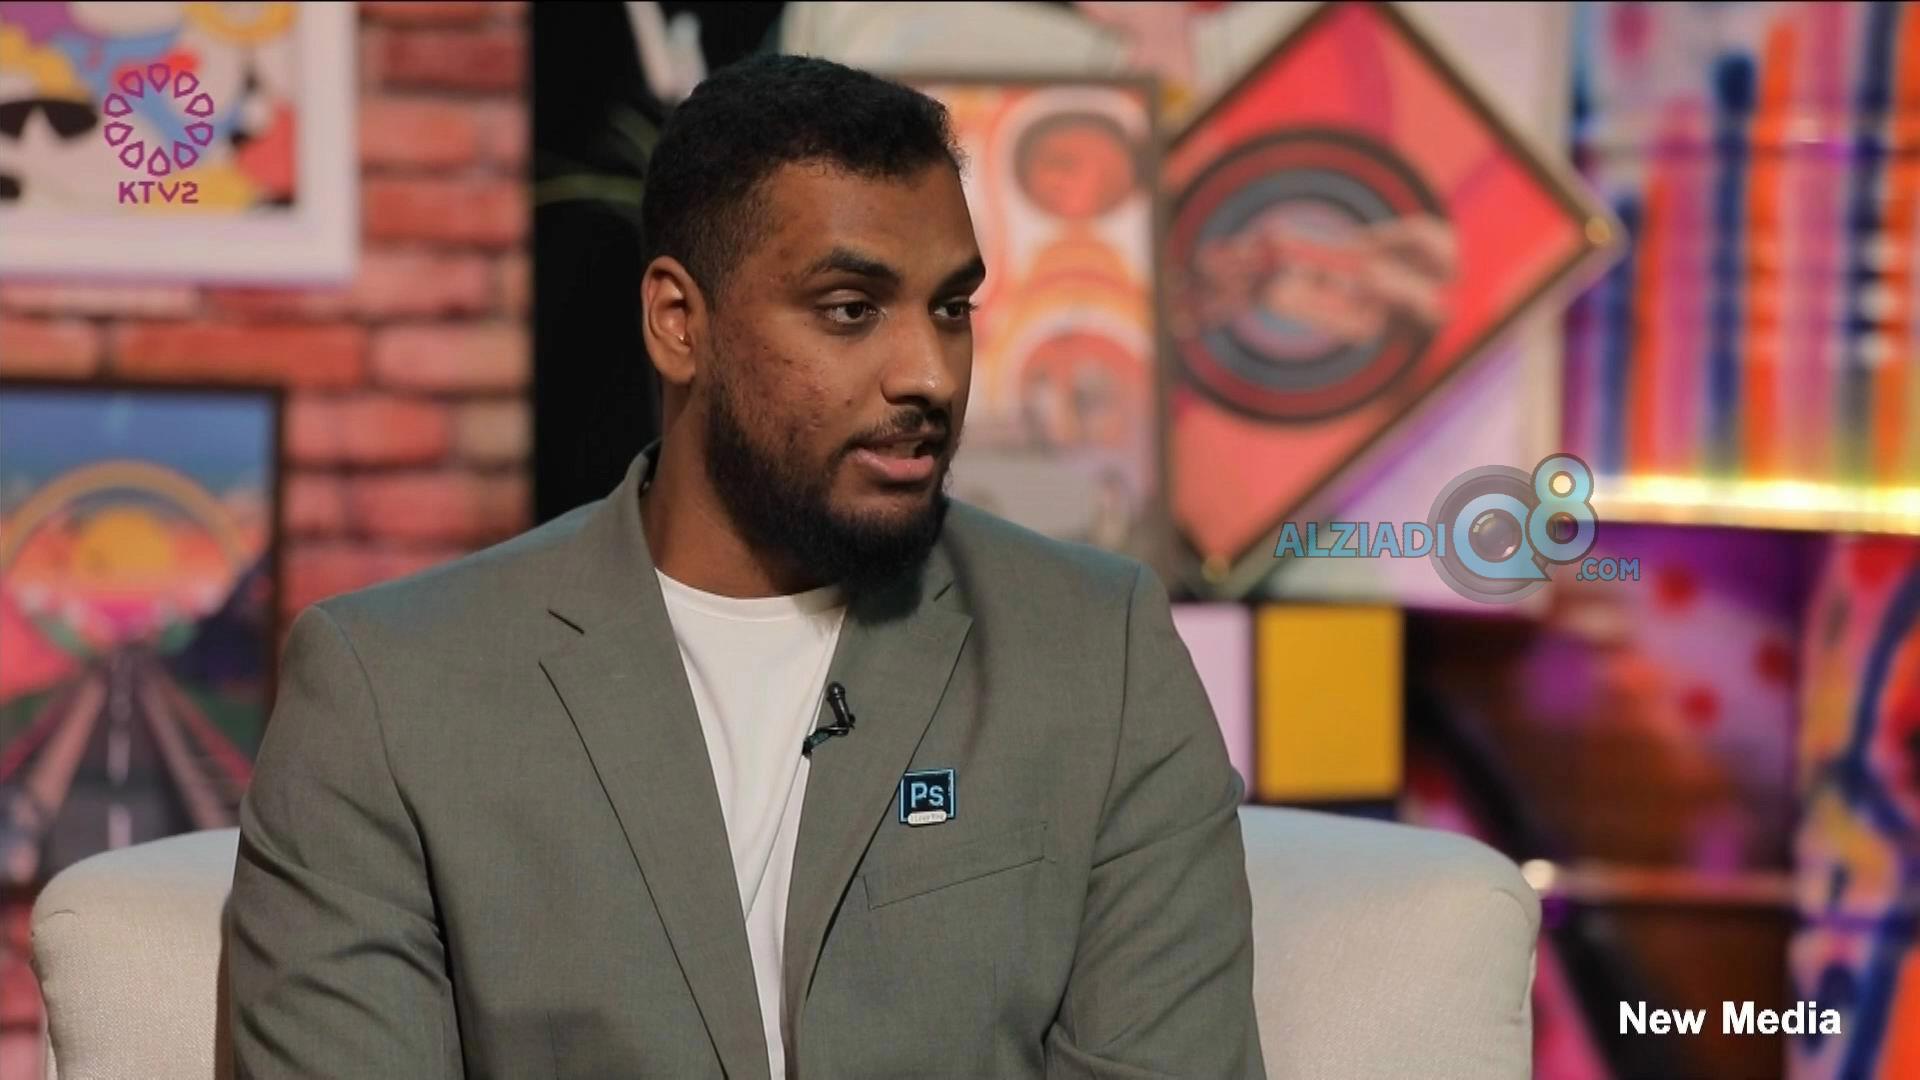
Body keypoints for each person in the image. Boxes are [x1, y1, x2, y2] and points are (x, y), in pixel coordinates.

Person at [226, 53, 1263, 1080]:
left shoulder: (1095, 650)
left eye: (952, 309)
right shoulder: (391, 693)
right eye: (851, 309)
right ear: (680, 324)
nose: (930, 376)